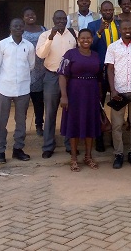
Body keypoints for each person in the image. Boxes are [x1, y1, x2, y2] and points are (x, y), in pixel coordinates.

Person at [0, 18, 35, 165]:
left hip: (23, 89)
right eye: (15, 26)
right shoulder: (1, 45)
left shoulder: (28, 46)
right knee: (1, 122)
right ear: (10, 28)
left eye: (21, 26)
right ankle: (0, 151)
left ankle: (18, 149)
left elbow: (31, 65)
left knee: (21, 122)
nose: (18, 28)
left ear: (24, 29)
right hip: (4, 89)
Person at [58, 29, 103, 171]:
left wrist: (100, 97)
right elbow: (62, 75)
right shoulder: (70, 54)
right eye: (83, 38)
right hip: (74, 93)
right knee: (74, 124)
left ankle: (88, 156)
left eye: (89, 38)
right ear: (78, 39)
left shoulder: (96, 55)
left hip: (92, 93)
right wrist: (64, 95)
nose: (86, 40)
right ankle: (73, 158)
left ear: (92, 39)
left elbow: (100, 78)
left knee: (90, 124)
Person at [36, 10, 78, 158]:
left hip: (70, 78)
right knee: (50, 112)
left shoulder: (74, 34)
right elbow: (41, 54)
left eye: (63, 19)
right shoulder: (44, 35)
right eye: (57, 18)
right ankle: (48, 146)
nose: (60, 21)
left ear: (66, 20)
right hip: (52, 77)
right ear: (53, 19)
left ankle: (69, 144)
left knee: (70, 112)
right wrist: (51, 37)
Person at [105, 20, 131, 169]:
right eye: (125, 28)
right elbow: (109, 69)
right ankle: (118, 154)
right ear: (120, 30)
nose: (127, 30)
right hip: (119, 92)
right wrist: (113, 89)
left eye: (130, 28)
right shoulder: (113, 47)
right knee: (117, 125)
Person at [88, 0, 121, 152]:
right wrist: (99, 32)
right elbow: (90, 46)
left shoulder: (120, 24)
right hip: (100, 71)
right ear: (100, 11)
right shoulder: (93, 26)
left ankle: (116, 138)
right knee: (99, 105)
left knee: (117, 105)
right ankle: (99, 138)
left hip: (117, 71)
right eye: (105, 10)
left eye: (110, 10)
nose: (108, 12)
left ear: (113, 10)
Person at [22, 7, 47, 136]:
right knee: (23, 102)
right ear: (23, 18)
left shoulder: (43, 29)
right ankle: (21, 126)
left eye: (32, 14)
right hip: (24, 72)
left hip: (40, 70)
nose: (30, 16)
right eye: (27, 15)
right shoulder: (19, 30)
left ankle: (39, 125)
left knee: (39, 101)